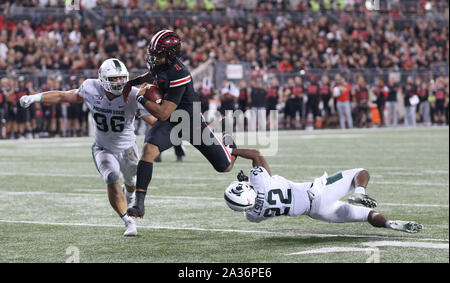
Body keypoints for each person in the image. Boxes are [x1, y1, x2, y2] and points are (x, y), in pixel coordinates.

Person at [20, 58, 153, 237]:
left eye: (122, 78)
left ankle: (128, 192)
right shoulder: (91, 88)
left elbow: (153, 120)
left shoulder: (133, 94)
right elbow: (63, 95)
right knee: (111, 177)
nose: (119, 82)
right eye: (114, 79)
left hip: (128, 148)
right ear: (103, 78)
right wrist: (34, 97)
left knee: (132, 183)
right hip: (103, 148)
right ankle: (127, 221)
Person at [121, 30, 236, 218]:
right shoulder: (160, 64)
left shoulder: (180, 73)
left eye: (157, 55)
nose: (153, 58)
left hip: (190, 123)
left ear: (170, 55)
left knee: (225, 167)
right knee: (148, 151)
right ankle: (139, 204)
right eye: (152, 53)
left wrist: (139, 97)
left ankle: (228, 141)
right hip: (171, 122)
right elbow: (152, 76)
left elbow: (163, 113)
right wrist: (132, 83)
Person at [224, 148, 423, 233]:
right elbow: (256, 156)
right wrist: (232, 151)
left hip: (317, 213)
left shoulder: (252, 216)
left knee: (366, 216)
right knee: (361, 172)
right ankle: (359, 192)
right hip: (318, 192)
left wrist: (250, 181)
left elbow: (258, 197)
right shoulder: (259, 181)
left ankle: (389, 224)